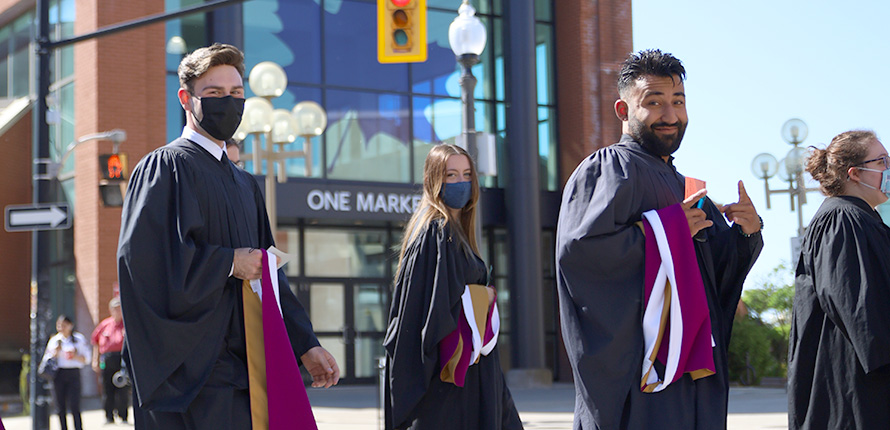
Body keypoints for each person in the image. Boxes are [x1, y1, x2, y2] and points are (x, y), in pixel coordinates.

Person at [117, 43, 339, 429]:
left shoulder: (243, 183)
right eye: (214, 93)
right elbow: (144, 265)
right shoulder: (165, 168)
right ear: (186, 98)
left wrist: (305, 344)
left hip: (246, 367)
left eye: (236, 94)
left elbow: (269, 272)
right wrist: (228, 262)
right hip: (190, 375)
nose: (229, 103)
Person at [555, 49, 763, 429]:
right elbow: (581, 253)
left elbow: (712, 276)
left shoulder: (685, 186)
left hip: (689, 373)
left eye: (678, 101)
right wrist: (666, 232)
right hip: (641, 376)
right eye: (654, 102)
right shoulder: (607, 169)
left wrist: (745, 234)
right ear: (623, 110)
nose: (670, 115)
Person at [383, 144, 522, 430]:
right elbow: (433, 314)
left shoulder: (456, 233)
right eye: (451, 175)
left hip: (472, 372)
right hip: (451, 379)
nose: (462, 183)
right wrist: (485, 296)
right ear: (434, 181)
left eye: (467, 174)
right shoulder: (436, 232)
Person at [787, 130, 890, 429]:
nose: (888, 168)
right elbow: (860, 309)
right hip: (852, 394)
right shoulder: (841, 219)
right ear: (855, 173)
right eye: (883, 161)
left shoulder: (863, 218)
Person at [43, 315, 91, 430]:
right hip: (59, 374)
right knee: (60, 406)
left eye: (64, 325)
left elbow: (87, 359)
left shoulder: (78, 339)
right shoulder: (54, 340)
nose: (61, 328)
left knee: (75, 405)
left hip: (73, 373)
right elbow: (46, 359)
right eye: (59, 325)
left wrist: (75, 356)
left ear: (71, 325)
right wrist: (54, 354)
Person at [91, 296, 128, 424]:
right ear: (110, 310)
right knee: (107, 388)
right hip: (107, 359)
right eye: (115, 309)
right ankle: (108, 416)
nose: (117, 311)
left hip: (122, 359)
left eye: (119, 308)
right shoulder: (105, 324)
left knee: (123, 387)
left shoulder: (127, 324)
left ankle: (123, 416)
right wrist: (95, 360)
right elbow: (95, 342)